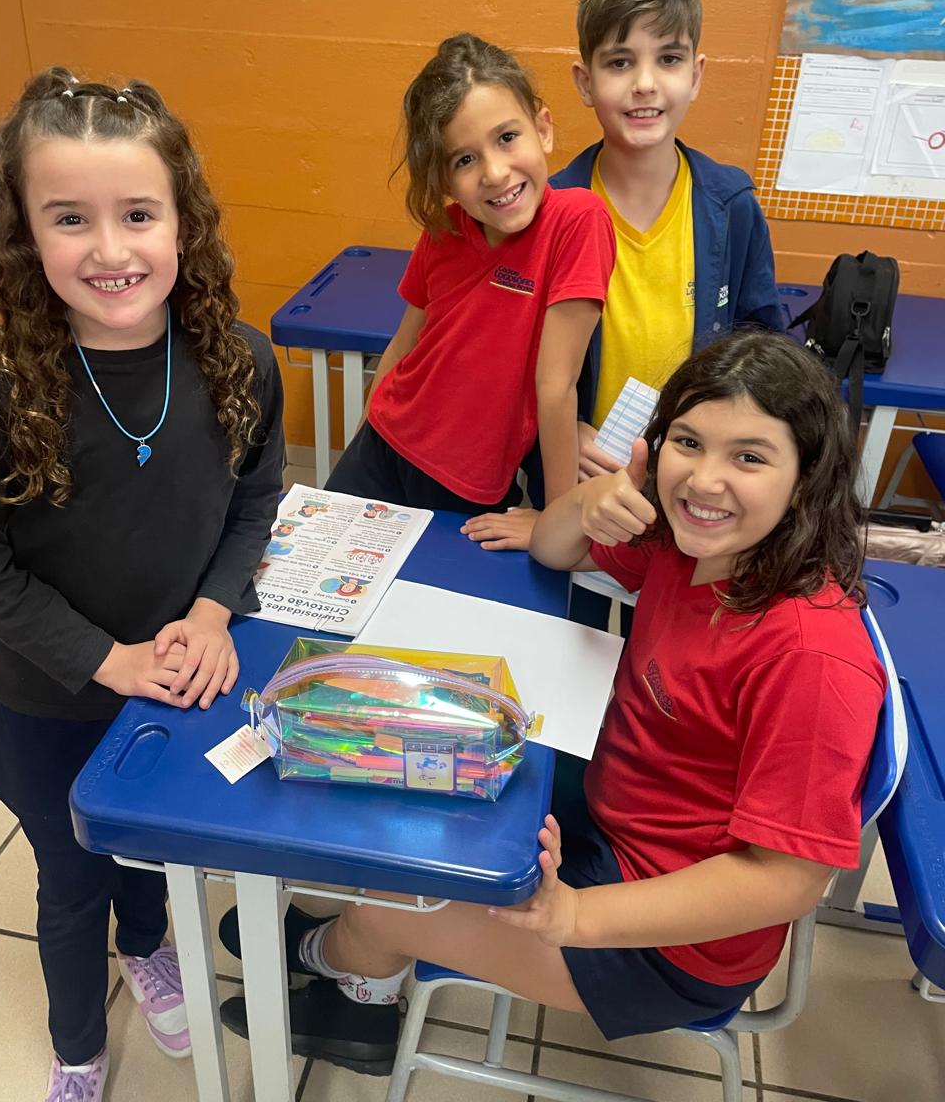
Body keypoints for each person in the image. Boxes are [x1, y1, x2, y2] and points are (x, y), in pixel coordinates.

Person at [217, 330, 884, 1074]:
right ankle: (344, 945)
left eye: (749, 457)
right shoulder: (695, 546)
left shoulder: (810, 656)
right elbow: (556, 547)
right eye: (689, 443)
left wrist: (577, 914)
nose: (704, 480)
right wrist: (597, 497)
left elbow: (787, 880)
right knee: (406, 775)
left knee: (385, 907)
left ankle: (348, 990)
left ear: (808, 477)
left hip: (669, 947)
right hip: (613, 815)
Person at [0, 69, 285, 1101]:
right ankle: (76, 1046)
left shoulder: (241, 361)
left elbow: (254, 503)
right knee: (72, 876)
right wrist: (103, 658)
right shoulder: (1, 388)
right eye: (70, 218)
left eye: (138, 214)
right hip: (42, 696)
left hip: (176, 674)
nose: (110, 250)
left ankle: (149, 946)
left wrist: (211, 613)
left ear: (183, 221)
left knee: (150, 852)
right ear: (26, 234)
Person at [522, 0, 783, 608]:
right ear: (585, 81)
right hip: (579, 480)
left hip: (695, 493)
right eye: (619, 62)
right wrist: (564, 432)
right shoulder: (547, 212)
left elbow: (763, 352)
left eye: (668, 59)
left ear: (696, 74)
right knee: (572, 628)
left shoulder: (729, 206)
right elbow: (511, 363)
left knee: (666, 638)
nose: (645, 84)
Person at [325, 34, 615, 550]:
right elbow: (403, 345)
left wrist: (556, 519)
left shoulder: (578, 220)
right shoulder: (445, 231)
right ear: (443, 179)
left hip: (466, 483)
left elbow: (556, 388)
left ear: (543, 129)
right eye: (464, 160)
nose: (495, 173)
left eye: (507, 137)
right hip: (382, 445)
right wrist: (363, 435)